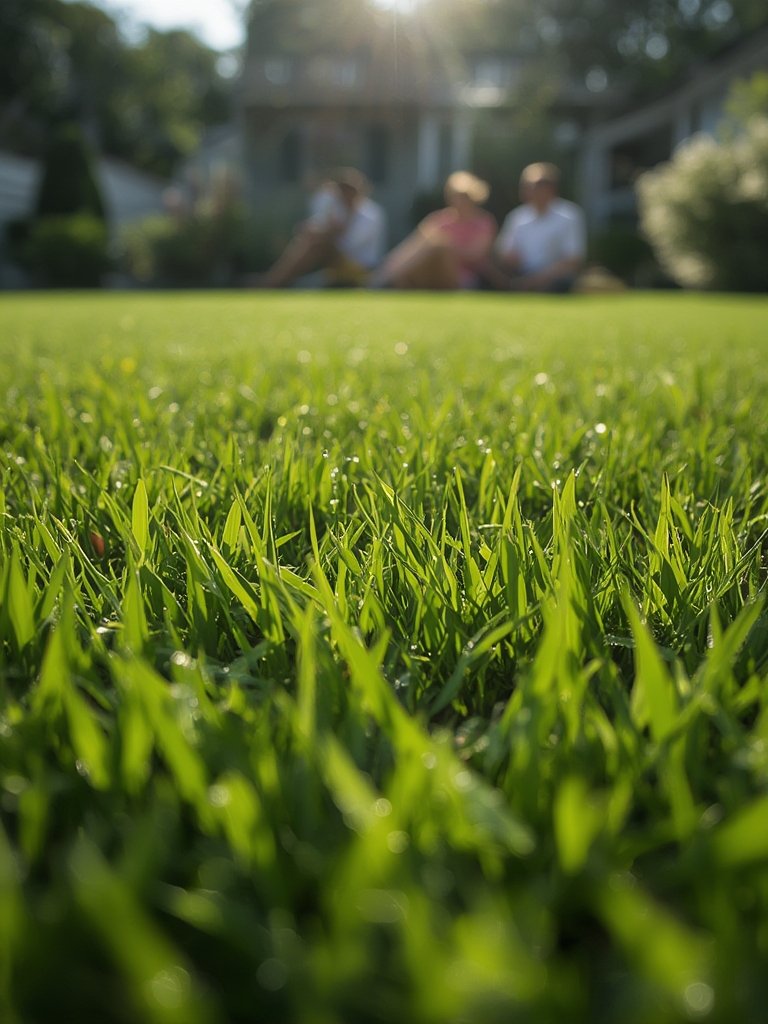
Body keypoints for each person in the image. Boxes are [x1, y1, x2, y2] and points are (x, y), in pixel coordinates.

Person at [260, 168, 386, 288]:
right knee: (308, 243)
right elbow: (314, 227)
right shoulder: (336, 208)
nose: (344, 194)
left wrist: (330, 231)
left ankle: (273, 282)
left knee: (317, 245)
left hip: (361, 267)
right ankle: (275, 279)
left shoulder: (370, 213)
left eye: (349, 190)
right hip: (337, 263)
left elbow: (348, 245)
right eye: (342, 190)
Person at [370, 171, 497, 290]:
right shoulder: (439, 219)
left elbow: (475, 255)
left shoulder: (483, 222)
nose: (459, 201)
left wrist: (444, 245)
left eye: (464, 197)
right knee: (419, 246)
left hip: (465, 277)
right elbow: (412, 246)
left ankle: (384, 280)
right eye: (455, 196)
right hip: (430, 272)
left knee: (437, 245)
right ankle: (388, 274)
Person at [494, 162, 586, 292]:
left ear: (552, 188)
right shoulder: (516, 216)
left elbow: (573, 260)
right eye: (527, 186)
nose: (531, 190)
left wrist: (537, 280)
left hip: (555, 278)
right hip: (521, 275)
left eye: (538, 186)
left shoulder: (570, 215)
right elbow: (503, 252)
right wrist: (510, 259)